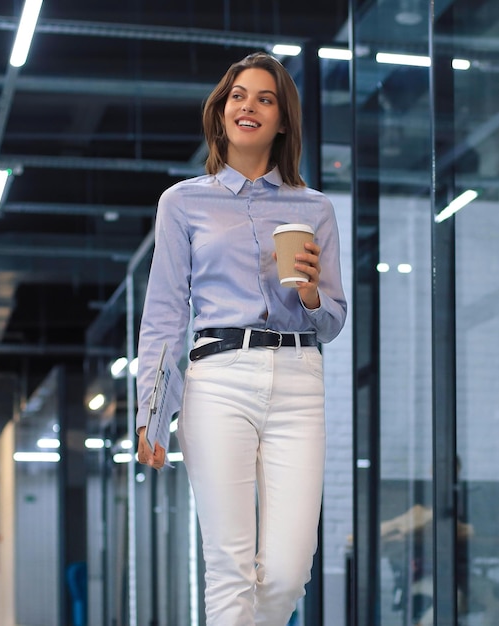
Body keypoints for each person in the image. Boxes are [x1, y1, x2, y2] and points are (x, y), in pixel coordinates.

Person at [136, 51, 347, 625]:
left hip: (300, 381)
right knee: (229, 566)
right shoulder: (183, 202)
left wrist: (309, 295)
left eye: (265, 98)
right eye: (238, 96)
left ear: (282, 121)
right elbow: (163, 316)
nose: (248, 105)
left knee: (286, 572)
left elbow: (332, 319)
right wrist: (152, 413)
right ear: (222, 112)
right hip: (218, 377)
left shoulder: (316, 210)